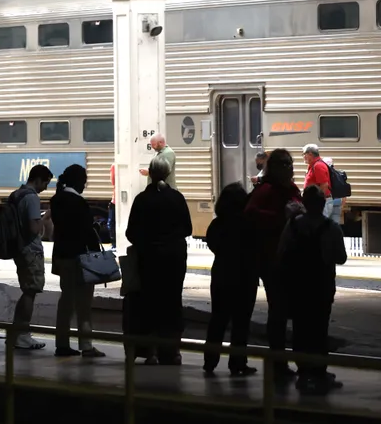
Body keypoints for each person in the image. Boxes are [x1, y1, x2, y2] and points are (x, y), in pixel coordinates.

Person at [125, 155, 193, 365]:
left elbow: (131, 232)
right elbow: (188, 229)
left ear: (151, 174)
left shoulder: (142, 199)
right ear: (167, 173)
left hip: (149, 259)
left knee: (149, 304)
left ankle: (152, 353)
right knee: (172, 303)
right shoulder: (177, 198)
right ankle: (173, 352)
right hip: (174, 259)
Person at [279, 186, 347, 394]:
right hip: (322, 286)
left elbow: (282, 253)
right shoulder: (332, 228)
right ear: (321, 204)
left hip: (298, 286)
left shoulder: (292, 225)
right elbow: (341, 258)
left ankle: (303, 370)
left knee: (300, 329)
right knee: (319, 329)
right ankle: (319, 371)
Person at [245, 147, 303, 379]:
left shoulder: (291, 189)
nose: (289, 169)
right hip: (273, 259)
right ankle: (278, 362)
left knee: (291, 311)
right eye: (284, 164)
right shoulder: (266, 190)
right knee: (278, 311)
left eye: (290, 164)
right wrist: (280, 216)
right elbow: (250, 214)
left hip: (291, 258)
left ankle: (295, 361)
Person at [203, 183, 259, 376]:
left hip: (221, 273)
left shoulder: (217, 224)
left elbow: (212, 243)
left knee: (218, 319)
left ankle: (210, 361)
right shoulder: (248, 223)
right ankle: (237, 362)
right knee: (241, 322)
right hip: (245, 275)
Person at [49, 164, 104, 357]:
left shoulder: (56, 199)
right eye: (84, 180)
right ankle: (86, 345)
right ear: (78, 180)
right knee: (84, 304)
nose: (85, 184)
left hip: (62, 256)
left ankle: (62, 344)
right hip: (80, 258)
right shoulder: (78, 202)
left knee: (66, 301)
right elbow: (86, 232)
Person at [7, 164, 52, 350]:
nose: (45, 188)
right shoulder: (32, 197)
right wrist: (46, 217)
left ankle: (16, 333)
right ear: (38, 179)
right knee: (30, 292)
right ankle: (22, 335)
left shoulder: (16, 194)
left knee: (27, 291)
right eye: (45, 183)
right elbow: (34, 229)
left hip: (19, 248)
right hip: (30, 250)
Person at [301, 144, 341, 225]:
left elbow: (324, 185)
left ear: (310, 154)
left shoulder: (318, 166)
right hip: (319, 202)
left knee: (319, 226)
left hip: (322, 203)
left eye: (304, 154)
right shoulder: (314, 165)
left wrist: (318, 203)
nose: (303, 157)